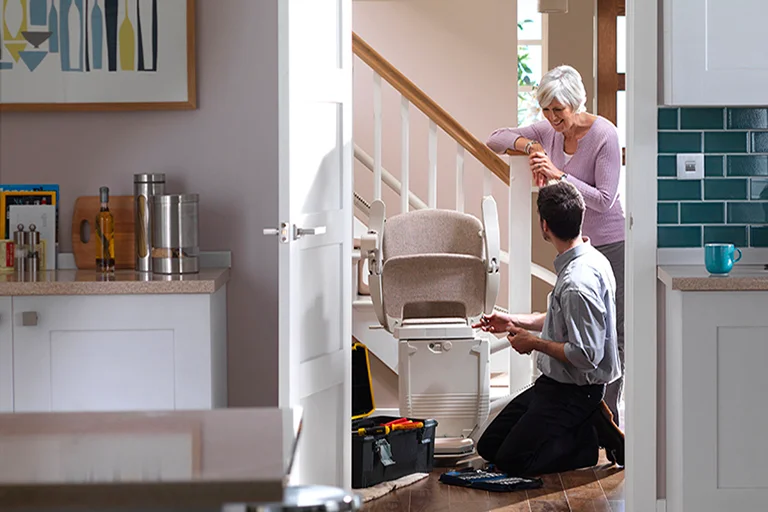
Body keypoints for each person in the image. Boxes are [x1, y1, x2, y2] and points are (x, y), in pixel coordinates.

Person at [486, 64, 626, 428]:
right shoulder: (547, 131)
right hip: (573, 242)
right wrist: (530, 144)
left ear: (576, 104)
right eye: (546, 110)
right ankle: (578, 413)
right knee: (570, 324)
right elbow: (496, 138)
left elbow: (605, 199)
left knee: (612, 332)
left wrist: (557, 173)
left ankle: (605, 418)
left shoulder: (604, 134)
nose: (551, 118)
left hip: (610, 243)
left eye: (558, 111)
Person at [474, 181, 624, 476]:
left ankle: (587, 442)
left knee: (512, 462)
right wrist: (514, 321)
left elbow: (585, 355)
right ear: (580, 216)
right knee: (489, 446)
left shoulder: (576, 283)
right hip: (555, 384)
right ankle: (586, 424)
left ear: (544, 226)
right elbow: (565, 320)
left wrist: (534, 343)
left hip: (577, 391)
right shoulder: (591, 259)